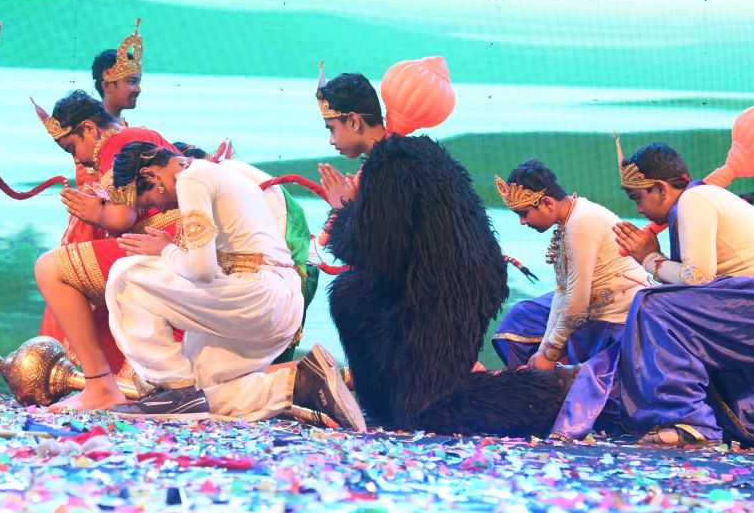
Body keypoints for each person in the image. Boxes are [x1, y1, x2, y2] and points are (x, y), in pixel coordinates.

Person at [316, 71, 569, 436]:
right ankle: (387, 406)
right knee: (349, 293)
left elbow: (379, 253)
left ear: (354, 121)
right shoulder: (404, 156)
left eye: (332, 128)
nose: (331, 140)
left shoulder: (392, 163)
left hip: (446, 294)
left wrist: (344, 210)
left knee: (429, 410)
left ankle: (546, 395)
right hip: (438, 287)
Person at [102, 142, 365, 430]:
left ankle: (175, 391)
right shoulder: (222, 171)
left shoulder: (191, 178)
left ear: (150, 175)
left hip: (259, 294)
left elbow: (202, 271)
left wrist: (166, 250)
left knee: (126, 276)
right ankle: (301, 383)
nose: (159, 208)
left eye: (149, 201)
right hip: (272, 301)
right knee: (202, 393)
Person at [609, 140, 754, 449]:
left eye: (638, 197)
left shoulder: (694, 199)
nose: (639, 210)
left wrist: (649, 259)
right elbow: (695, 293)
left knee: (652, 305)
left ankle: (688, 421)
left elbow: (697, 278)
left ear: (659, 188)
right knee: (745, 416)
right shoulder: (696, 201)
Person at [30, 92, 182, 409]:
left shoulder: (120, 140)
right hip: (172, 243)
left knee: (49, 269)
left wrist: (96, 213)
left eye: (72, 148)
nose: (78, 160)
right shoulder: (134, 136)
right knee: (98, 301)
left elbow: (122, 216)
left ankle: (100, 386)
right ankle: (111, 383)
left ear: (89, 128)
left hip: (168, 240)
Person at [492, 160, 648, 370]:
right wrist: (544, 350)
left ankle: (543, 383)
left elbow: (576, 306)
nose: (522, 221)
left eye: (524, 213)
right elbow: (563, 291)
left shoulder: (580, 224)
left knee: (585, 380)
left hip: (618, 318)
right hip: (592, 309)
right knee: (521, 318)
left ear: (547, 203)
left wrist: (549, 353)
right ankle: (533, 380)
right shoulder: (570, 218)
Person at [90, 19, 142, 122]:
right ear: (107, 85)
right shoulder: (92, 128)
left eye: (138, 82)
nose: (138, 89)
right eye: (132, 81)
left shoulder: (121, 126)